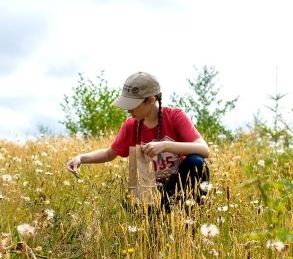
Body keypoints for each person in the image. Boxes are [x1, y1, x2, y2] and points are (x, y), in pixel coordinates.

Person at [66, 71, 210, 212]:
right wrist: (81, 158)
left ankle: (188, 216)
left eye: (133, 104)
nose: (128, 110)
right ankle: (156, 212)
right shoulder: (131, 125)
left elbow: (204, 150)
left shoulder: (175, 116)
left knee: (196, 162)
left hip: (180, 184)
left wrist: (165, 146)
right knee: (131, 208)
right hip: (150, 189)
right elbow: (108, 154)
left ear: (152, 99)